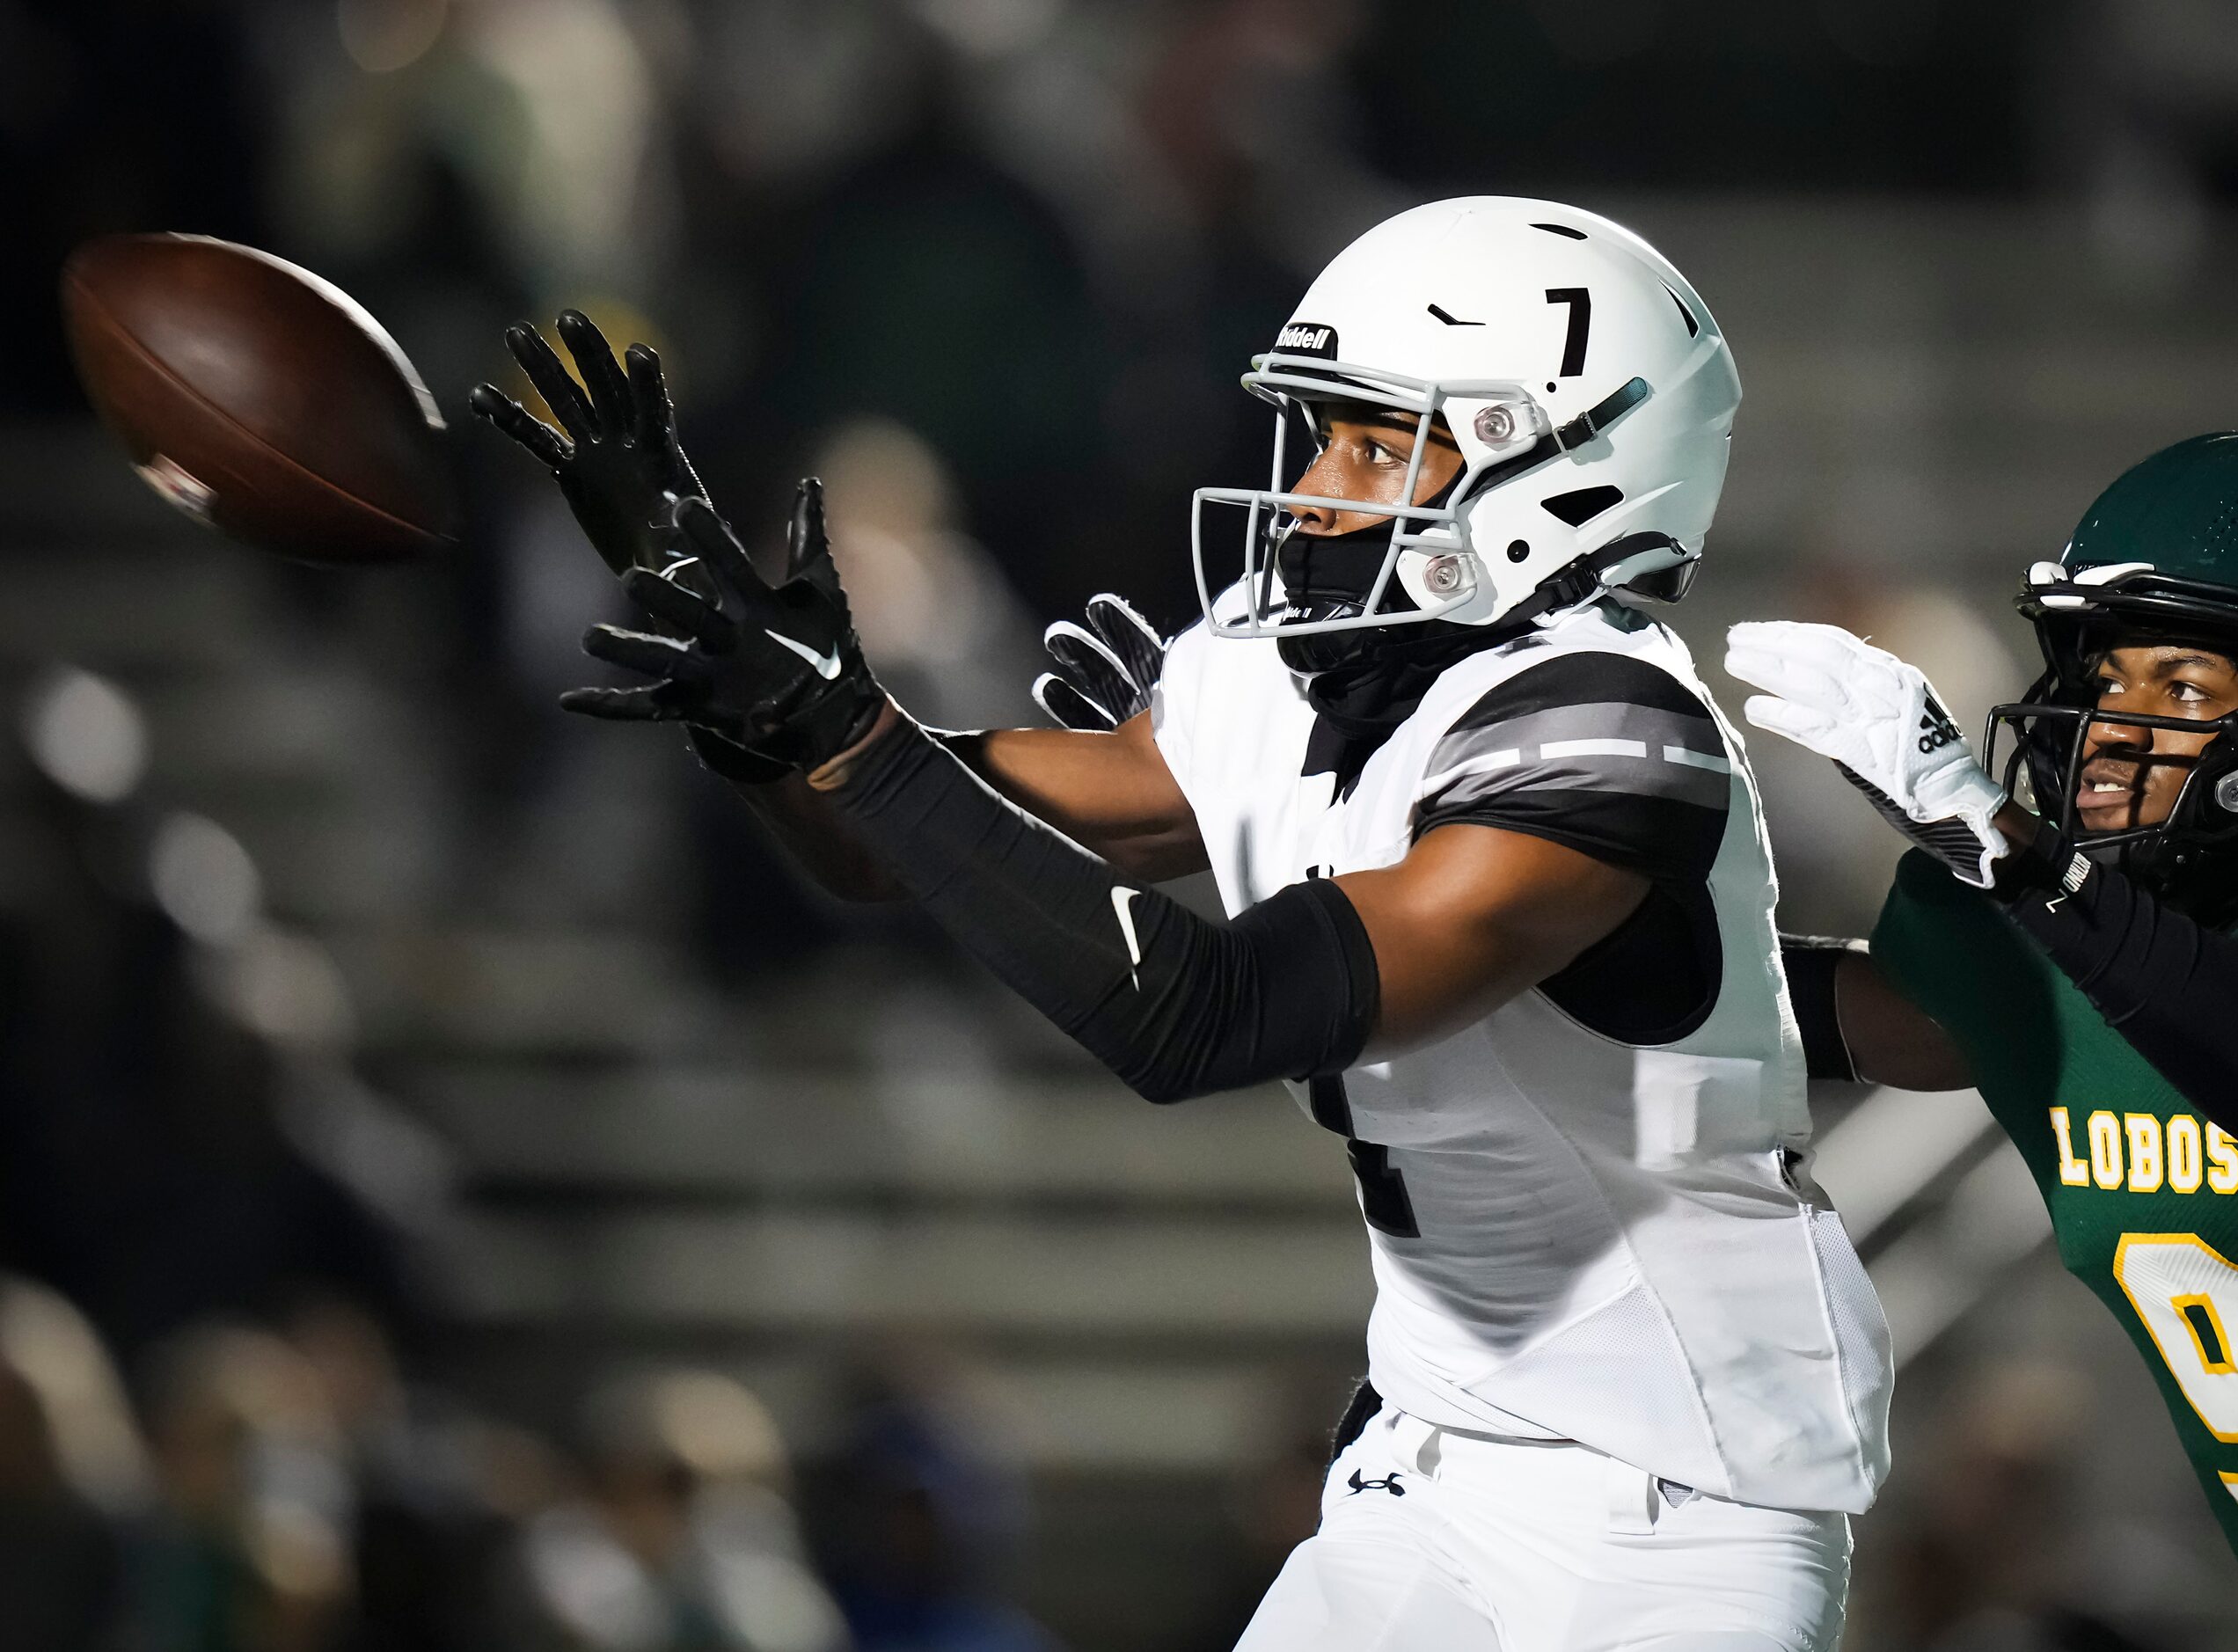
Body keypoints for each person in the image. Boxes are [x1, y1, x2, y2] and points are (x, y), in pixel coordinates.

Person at [474, 195, 1891, 1650]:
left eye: (1375, 442)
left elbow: (1198, 1014)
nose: (1314, 489)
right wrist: (763, 702)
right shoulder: (1300, 678)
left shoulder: (1610, 728)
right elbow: (887, 844)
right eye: (1325, 434)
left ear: (1565, 466)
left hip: (1681, 1495)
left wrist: (848, 727)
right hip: (1440, 1454)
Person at [1717, 432, 2238, 1649]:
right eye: (2097, 673)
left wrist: (2024, 862)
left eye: (2179, 687)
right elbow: (1781, 1013)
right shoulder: (2067, 938)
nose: (2108, 727)